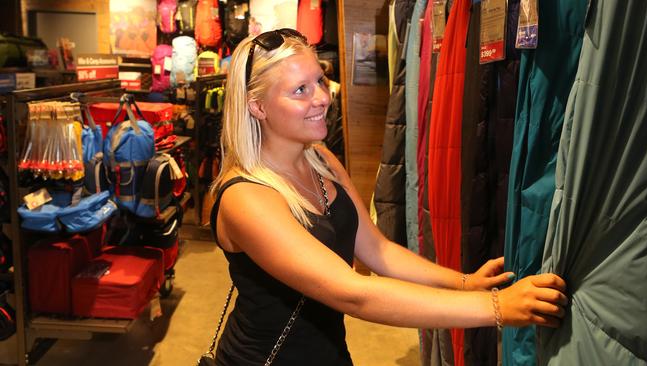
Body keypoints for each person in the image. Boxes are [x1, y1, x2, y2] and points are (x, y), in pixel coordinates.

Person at [209, 28, 568, 365]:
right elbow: (353, 293)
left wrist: (463, 282)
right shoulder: (246, 198)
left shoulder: (319, 159)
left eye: (319, 80)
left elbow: (377, 251)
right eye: (300, 90)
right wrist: (496, 306)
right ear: (257, 107)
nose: (322, 97)